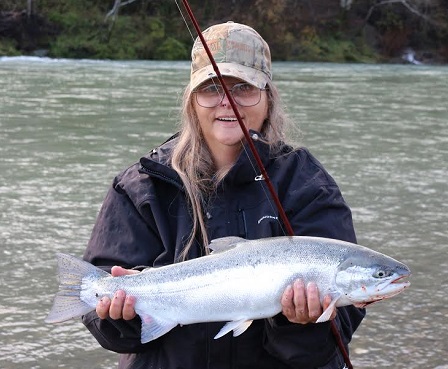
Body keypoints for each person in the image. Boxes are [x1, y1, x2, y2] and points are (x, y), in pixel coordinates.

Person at [82, 21, 365, 369]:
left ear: (268, 97)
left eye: (244, 87)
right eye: (212, 87)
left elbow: (335, 336)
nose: (228, 102)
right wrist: (119, 315)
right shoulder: (141, 185)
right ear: (191, 100)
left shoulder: (307, 185)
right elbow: (106, 326)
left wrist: (300, 323)